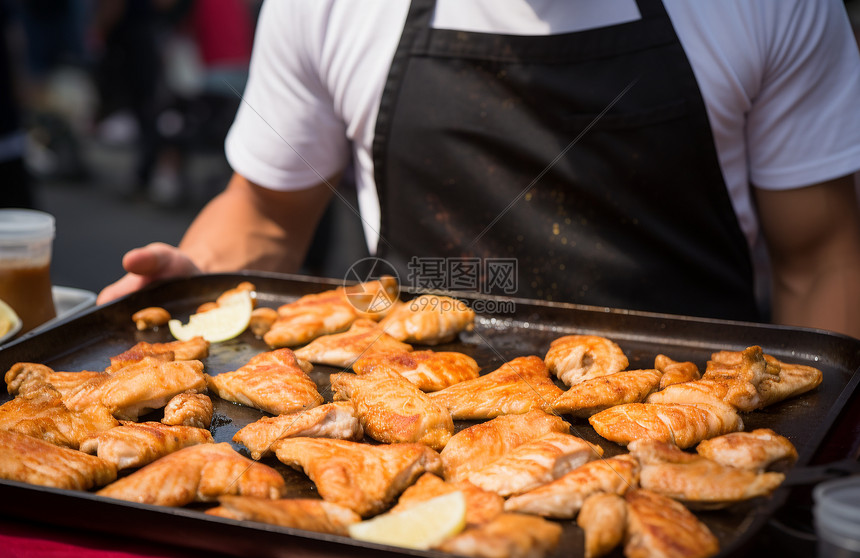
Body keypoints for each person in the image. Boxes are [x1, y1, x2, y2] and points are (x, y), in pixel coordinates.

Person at [98, 0, 860, 339]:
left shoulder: (770, 3)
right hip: (409, 426)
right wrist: (194, 286)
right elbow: (263, 216)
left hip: (687, 424)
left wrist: (808, 459)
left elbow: (823, 256)